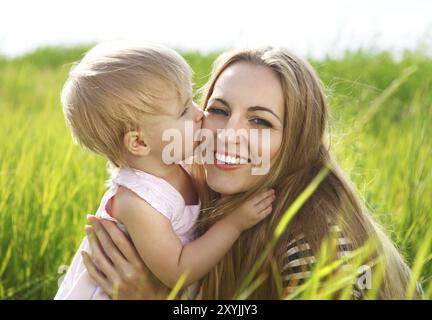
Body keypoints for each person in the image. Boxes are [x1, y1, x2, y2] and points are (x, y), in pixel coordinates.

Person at [81, 47, 422, 299]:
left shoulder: (317, 246)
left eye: (260, 121)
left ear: (295, 142)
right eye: (218, 109)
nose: (228, 134)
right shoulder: (194, 198)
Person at [54, 42, 275, 300]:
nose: (199, 113)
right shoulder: (138, 202)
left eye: (191, 100)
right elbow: (179, 269)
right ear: (139, 143)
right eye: (183, 111)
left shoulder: (177, 159)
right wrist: (234, 224)